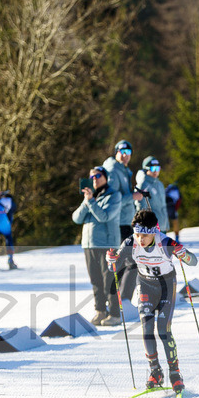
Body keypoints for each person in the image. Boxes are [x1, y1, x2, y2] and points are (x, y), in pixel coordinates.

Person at [107, 210, 197, 396]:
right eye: (138, 234)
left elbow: (193, 261)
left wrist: (183, 254)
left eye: (145, 235)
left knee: (163, 329)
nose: (140, 239)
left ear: (154, 232)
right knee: (147, 328)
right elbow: (114, 265)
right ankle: (155, 371)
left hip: (166, 285)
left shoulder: (165, 242)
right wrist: (111, 260)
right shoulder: (131, 242)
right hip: (145, 285)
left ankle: (175, 373)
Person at [72, 166, 122, 326]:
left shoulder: (114, 195)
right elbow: (76, 218)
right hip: (89, 245)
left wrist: (91, 202)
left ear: (105, 178)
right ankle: (100, 311)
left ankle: (114, 314)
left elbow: (104, 216)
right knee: (95, 281)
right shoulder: (89, 197)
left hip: (107, 244)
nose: (95, 179)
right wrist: (87, 202)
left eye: (98, 176)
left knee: (109, 281)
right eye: (92, 176)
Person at [103, 139, 144, 304]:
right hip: (118, 223)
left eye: (129, 153)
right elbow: (112, 198)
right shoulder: (113, 170)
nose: (126, 156)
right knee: (130, 262)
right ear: (116, 152)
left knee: (124, 262)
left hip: (125, 221)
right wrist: (132, 197)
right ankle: (119, 302)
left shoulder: (123, 170)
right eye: (123, 152)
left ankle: (116, 301)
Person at [135, 156, 169, 233]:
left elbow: (163, 206)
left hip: (162, 226)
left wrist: (166, 224)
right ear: (146, 169)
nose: (155, 171)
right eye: (153, 169)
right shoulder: (143, 184)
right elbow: (141, 208)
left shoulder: (159, 184)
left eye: (157, 169)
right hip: (151, 228)